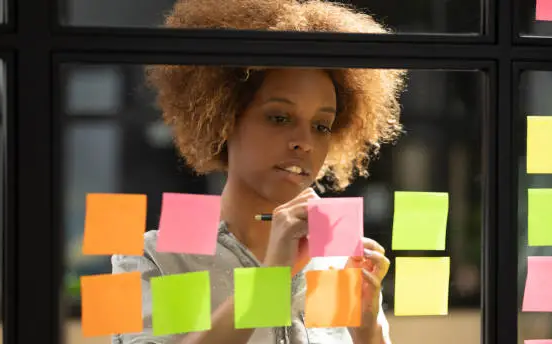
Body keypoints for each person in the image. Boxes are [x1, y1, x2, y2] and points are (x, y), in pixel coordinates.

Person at [112, 0, 406, 343]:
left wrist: (369, 333)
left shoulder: (339, 264)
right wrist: (272, 278)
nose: (304, 142)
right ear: (223, 120)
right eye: (279, 118)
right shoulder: (160, 256)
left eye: (322, 125)